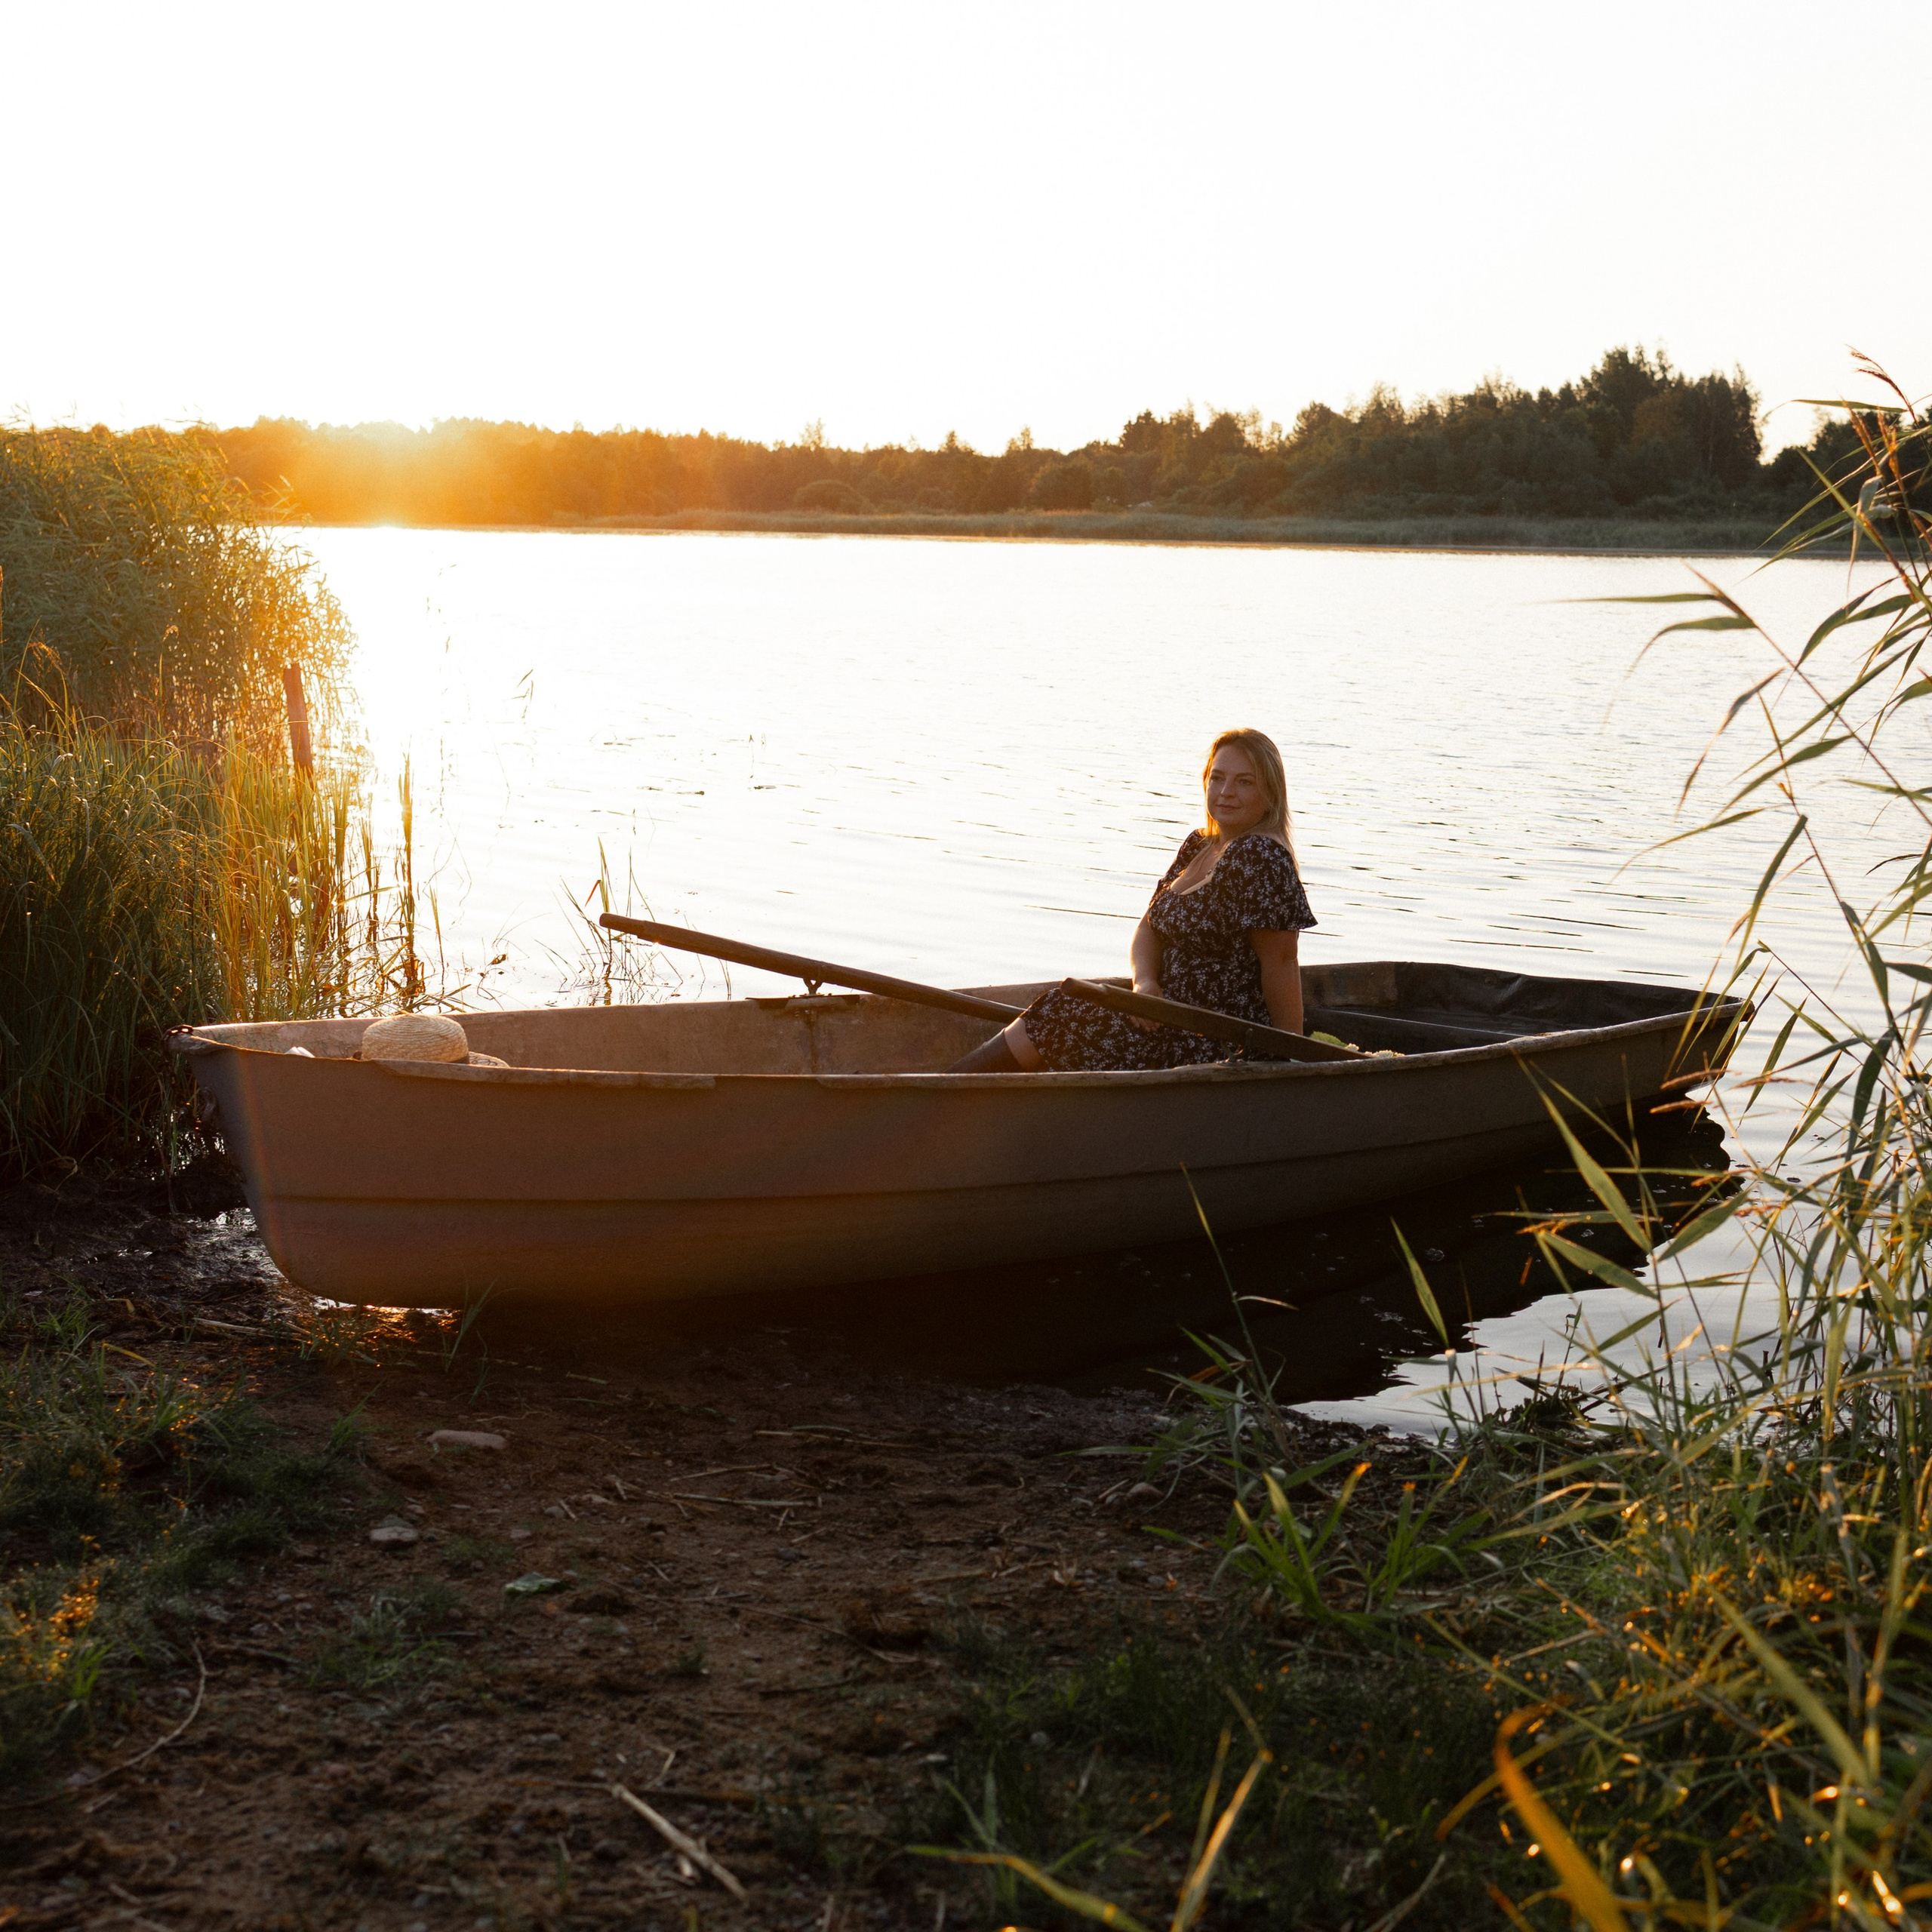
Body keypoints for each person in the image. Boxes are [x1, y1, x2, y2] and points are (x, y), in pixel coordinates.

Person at [949, 728, 1316, 1072]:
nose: (1226, 792)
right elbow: (1149, 927)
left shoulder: (1261, 857)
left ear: (1270, 794)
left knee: (1060, 1012)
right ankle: (949, 1088)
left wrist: (1288, 1059)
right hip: (1160, 1019)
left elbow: (1282, 963)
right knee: (1063, 1008)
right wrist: (1144, 984)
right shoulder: (1200, 844)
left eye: (1245, 782)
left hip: (1216, 1041)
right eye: (1217, 778)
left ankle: (943, 1089)